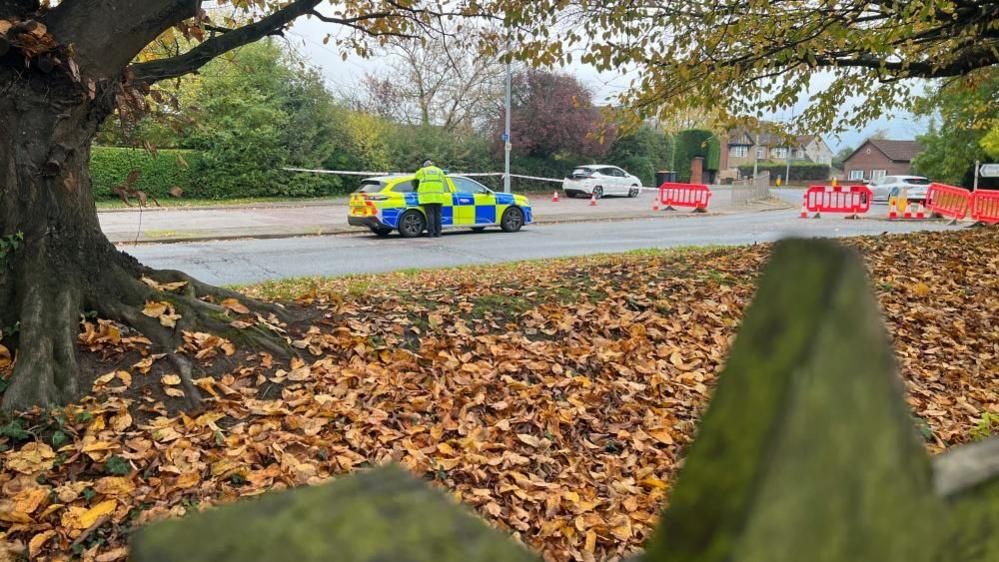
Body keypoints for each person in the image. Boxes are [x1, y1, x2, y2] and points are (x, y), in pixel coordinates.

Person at [414, 159, 446, 237]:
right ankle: (438, 233)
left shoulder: (423, 171)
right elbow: (443, 178)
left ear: (425, 166)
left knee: (430, 215)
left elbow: (416, 177)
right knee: (438, 215)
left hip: (427, 197)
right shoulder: (439, 171)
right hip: (438, 197)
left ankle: (431, 233)